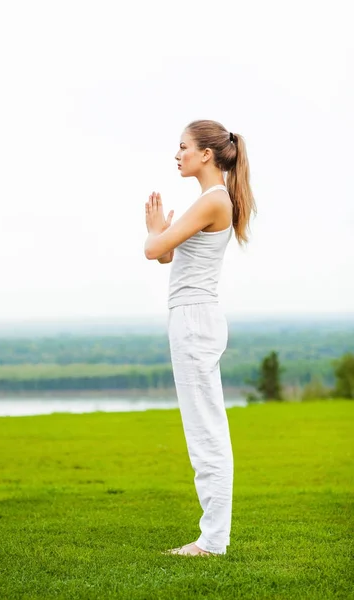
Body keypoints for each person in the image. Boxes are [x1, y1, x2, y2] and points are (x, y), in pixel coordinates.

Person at [144, 119, 256, 556]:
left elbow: (154, 249)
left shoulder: (213, 200)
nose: (177, 154)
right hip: (193, 319)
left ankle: (212, 541)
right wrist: (160, 234)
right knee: (205, 429)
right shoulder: (210, 201)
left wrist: (155, 229)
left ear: (206, 154)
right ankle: (213, 537)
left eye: (183, 146)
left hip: (194, 321)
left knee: (206, 432)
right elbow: (167, 255)